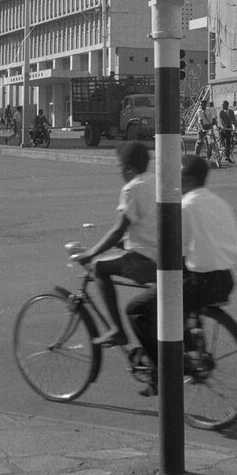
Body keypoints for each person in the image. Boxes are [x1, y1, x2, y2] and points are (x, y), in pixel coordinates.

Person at [127, 154, 237, 395]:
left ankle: (161, 371)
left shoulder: (186, 206)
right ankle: (187, 345)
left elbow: (172, 252)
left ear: (186, 179)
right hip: (225, 279)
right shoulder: (219, 203)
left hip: (199, 281)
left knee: (137, 310)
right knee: (174, 303)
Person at [77, 141, 157, 347]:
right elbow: (146, 223)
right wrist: (124, 243)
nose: (118, 169)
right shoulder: (155, 181)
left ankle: (117, 330)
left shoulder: (132, 188)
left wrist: (91, 253)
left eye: (119, 165)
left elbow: (118, 229)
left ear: (128, 168)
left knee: (99, 267)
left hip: (146, 259)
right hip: (161, 253)